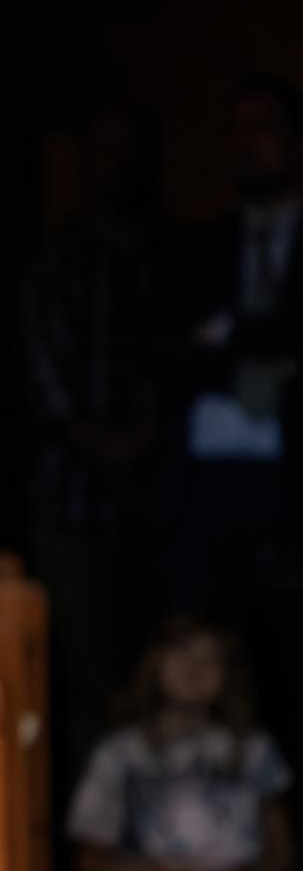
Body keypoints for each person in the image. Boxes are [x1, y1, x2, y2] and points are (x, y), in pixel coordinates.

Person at [155, 75, 303, 819]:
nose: (251, 145)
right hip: (208, 505)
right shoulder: (198, 249)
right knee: (205, 671)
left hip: (291, 500)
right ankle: (211, 852)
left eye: (267, 126)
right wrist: (265, 352)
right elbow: (168, 358)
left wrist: (231, 339)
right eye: (236, 129)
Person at [68, 617, 303, 871]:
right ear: (155, 664)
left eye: (210, 659)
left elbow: (282, 850)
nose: (195, 668)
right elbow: (91, 861)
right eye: (182, 654)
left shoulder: (252, 749)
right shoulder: (121, 753)